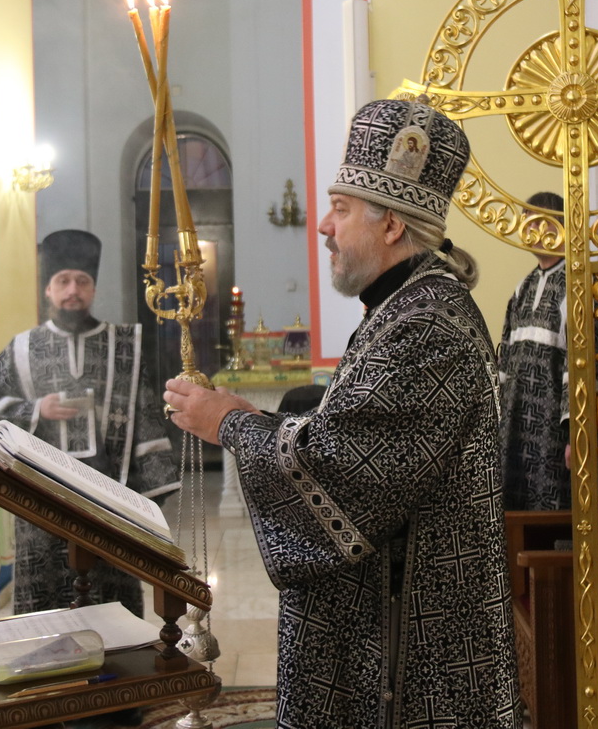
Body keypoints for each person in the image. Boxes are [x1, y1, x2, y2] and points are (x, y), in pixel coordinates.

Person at [164, 98, 522, 728]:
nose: (324, 227)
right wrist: (258, 418)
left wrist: (229, 423)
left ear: (390, 226)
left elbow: (346, 474)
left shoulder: (425, 325)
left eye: (341, 209)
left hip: (411, 656)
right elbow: (352, 435)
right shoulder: (403, 310)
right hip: (394, 627)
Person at [0, 229, 179, 618]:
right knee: (48, 610)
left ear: (93, 290)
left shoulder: (124, 345)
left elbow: (146, 414)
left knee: (113, 606)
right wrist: (36, 410)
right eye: (63, 281)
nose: (74, 290)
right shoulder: (22, 347)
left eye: (82, 282)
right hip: (41, 499)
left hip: (109, 497)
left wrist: (148, 499)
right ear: (48, 291)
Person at [497, 190, 571, 510]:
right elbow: (505, 361)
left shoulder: (576, 284)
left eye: (536, 222)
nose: (528, 230)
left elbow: (580, 367)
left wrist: (575, 435)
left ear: (558, 226)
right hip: (514, 427)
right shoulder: (522, 288)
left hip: (554, 431)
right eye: (526, 222)